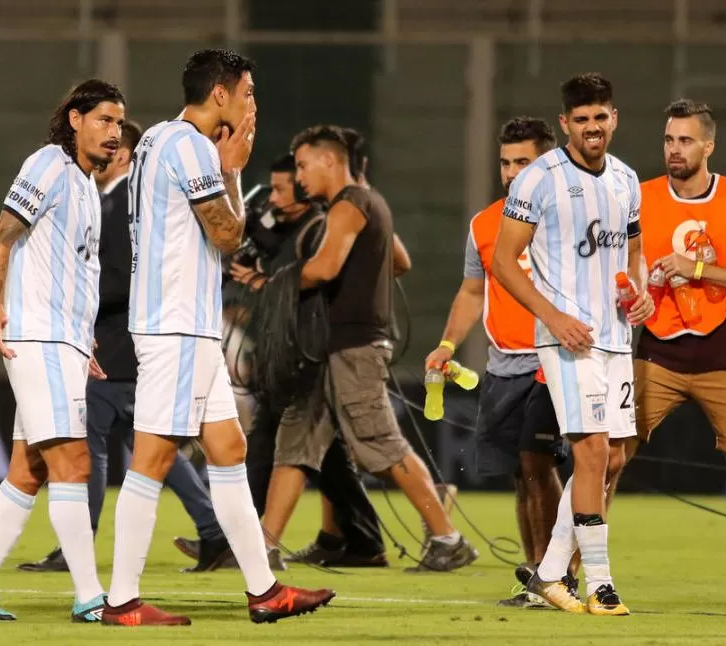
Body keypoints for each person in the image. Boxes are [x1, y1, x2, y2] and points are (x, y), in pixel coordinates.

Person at [105, 48, 334, 626]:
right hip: (176, 324)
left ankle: (264, 591)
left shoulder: (159, 137)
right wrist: (233, 167)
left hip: (188, 324)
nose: (254, 102)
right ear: (221, 95)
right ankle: (121, 601)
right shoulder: (191, 147)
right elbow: (231, 235)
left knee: (228, 450)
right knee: (154, 457)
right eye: (249, 92)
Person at [17, 120, 231, 574]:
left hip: (111, 346)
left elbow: (115, 280)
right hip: (131, 344)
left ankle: (78, 543)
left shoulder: (115, 206)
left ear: (125, 157)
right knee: (155, 445)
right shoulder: (121, 202)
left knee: (90, 444)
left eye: (116, 147)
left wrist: (77, 309)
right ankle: (214, 531)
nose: (107, 152)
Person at [0, 79, 125, 623]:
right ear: (74, 119)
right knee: (72, 461)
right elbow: (1, 236)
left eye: (120, 124)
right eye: (104, 120)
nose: (115, 133)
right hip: (38, 337)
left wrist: (83, 337)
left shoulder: (88, 188)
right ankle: (93, 597)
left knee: (29, 470)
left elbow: (75, 271)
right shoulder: (48, 164)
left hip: (63, 340)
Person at [281, 124, 477, 573]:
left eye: (303, 164)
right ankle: (267, 545)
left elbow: (326, 267)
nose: (299, 176)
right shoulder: (368, 202)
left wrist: (277, 284)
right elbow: (401, 260)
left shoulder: (349, 205)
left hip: (354, 343)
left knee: (381, 445)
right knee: (302, 443)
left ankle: (447, 536)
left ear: (330, 160)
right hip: (350, 343)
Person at [492, 73, 653, 615]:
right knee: (588, 452)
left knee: (611, 458)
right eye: (580, 119)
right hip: (566, 340)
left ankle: (550, 572)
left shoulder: (627, 180)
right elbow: (503, 264)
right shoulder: (537, 180)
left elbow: (634, 252)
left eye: (600, 117)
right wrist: (554, 317)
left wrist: (642, 292)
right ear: (565, 124)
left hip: (615, 337)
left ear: (614, 118)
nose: (591, 127)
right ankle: (600, 584)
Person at [630, 99, 726, 613]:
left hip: (725, 357)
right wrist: (631, 294)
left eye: (686, 140)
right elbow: (622, 268)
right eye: (669, 140)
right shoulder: (639, 196)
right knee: (605, 457)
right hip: (655, 354)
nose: (675, 149)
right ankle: (569, 571)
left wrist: (698, 270)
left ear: (708, 146)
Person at [426, 116, 567, 606]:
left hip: (555, 361)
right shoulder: (485, 224)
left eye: (522, 162)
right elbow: (471, 292)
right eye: (505, 163)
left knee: (538, 461)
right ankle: (539, 576)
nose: (511, 173)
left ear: (547, 164)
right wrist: (446, 344)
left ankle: (558, 575)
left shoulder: (566, 218)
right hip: (503, 366)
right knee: (521, 474)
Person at [223, 150, 387, 569]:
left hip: (311, 353)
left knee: (368, 450)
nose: (275, 196)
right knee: (322, 456)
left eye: (287, 182)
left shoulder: (326, 224)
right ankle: (359, 541)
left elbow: (321, 276)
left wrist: (267, 281)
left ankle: (248, 542)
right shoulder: (298, 229)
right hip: (297, 352)